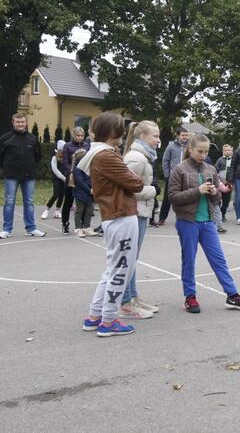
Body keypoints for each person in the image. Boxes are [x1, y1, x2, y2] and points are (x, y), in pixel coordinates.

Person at [169, 133, 240, 313]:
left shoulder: (210, 169)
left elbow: (217, 201)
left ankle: (232, 296)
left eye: (206, 151)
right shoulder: (180, 169)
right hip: (188, 221)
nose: (203, 155)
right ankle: (190, 297)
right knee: (189, 261)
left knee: (219, 260)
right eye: (200, 151)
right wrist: (197, 191)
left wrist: (215, 192)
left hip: (208, 221)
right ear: (190, 149)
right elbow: (173, 198)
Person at [79, 112, 143, 337]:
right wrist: (134, 175)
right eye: (120, 130)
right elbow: (136, 183)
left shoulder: (97, 153)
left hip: (113, 216)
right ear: (112, 132)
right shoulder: (107, 155)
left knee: (112, 269)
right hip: (121, 215)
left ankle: (95, 316)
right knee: (121, 270)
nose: (123, 134)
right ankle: (108, 320)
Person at [120, 120, 161, 320]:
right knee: (129, 259)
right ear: (142, 137)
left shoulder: (143, 156)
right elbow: (127, 189)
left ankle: (132, 296)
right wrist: (154, 190)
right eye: (155, 136)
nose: (158, 140)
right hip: (134, 213)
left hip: (140, 212)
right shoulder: (136, 158)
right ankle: (125, 302)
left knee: (132, 259)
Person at [0, 113, 45, 239]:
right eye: (18, 122)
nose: (20, 124)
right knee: (9, 202)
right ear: (13, 122)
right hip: (11, 175)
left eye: (22, 122)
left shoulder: (33, 139)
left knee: (29, 202)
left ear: (26, 123)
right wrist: (7, 168)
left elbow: (38, 156)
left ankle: (31, 228)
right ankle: (7, 230)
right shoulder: (5, 139)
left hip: (29, 175)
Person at [60, 126, 90, 235]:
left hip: (83, 178)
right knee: (68, 201)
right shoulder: (67, 146)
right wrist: (73, 172)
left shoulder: (87, 146)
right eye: (78, 135)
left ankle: (81, 224)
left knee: (82, 201)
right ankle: (65, 223)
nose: (80, 137)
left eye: (82, 135)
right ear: (74, 135)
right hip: (71, 178)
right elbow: (65, 162)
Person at [158, 127, 189, 225]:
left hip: (185, 176)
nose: (185, 137)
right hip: (172, 176)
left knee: (185, 197)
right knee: (167, 198)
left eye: (186, 135)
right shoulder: (171, 146)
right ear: (178, 135)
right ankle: (162, 218)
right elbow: (165, 161)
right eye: (183, 135)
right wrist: (167, 175)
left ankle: (184, 218)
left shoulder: (190, 146)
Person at [69, 149, 99, 238]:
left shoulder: (89, 168)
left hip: (89, 194)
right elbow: (80, 182)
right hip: (80, 193)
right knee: (79, 211)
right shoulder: (77, 169)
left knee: (89, 210)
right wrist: (89, 190)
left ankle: (87, 227)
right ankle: (78, 229)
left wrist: (94, 187)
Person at [42, 140, 66, 220]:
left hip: (65, 179)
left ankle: (57, 210)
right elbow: (55, 170)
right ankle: (47, 210)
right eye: (61, 150)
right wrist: (63, 177)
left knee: (62, 195)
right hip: (57, 179)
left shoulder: (66, 157)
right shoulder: (54, 158)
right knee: (56, 194)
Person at [215, 144, 234, 221]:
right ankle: (218, 214)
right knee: (219, 199)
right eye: (225, 150)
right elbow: (216, 171)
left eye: (228, 150)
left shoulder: (233, 160)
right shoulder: (220, 160)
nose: (227, 151)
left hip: (229, 183)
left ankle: (223, 214)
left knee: (226, 201)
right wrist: (219, 180)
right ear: (223, 151)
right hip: (220, 183)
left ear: (231, 151)